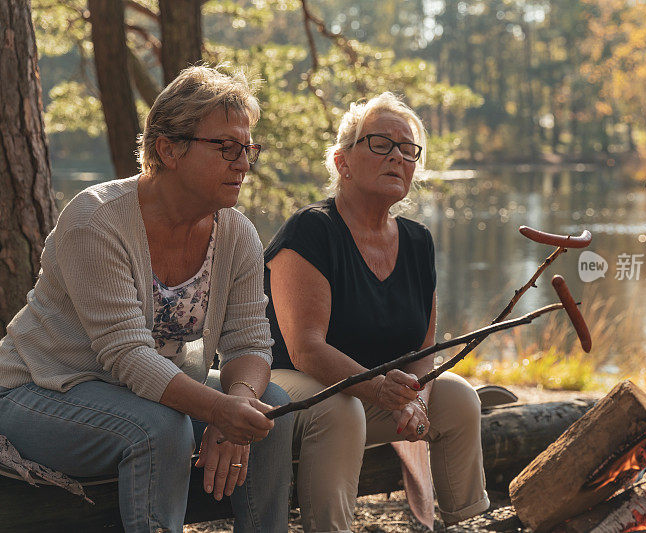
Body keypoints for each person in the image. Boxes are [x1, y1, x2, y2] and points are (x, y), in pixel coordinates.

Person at [0, 66, 293, 533]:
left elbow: (251, 344)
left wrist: (238, 403)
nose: (243, 162)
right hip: (40, 391)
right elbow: (127, 356)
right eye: (226, 147)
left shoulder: (236, 233)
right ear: (168, 149)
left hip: (144, 396)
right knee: (158, 429)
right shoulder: (95, 221)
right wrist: (217, 411)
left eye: (248, 148)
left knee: (268, 409)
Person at [264, 92, 489, 532]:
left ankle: (469, 523)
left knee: (459, 397)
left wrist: (417, 399)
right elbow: (306, 350)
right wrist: (380, 390)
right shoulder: (313, 230)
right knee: (341, 407)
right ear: (342, 162)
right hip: (282, 387)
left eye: (408, 150)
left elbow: (425, 344)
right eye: (381, 144)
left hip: (365, 394)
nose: (398, 158)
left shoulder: (418, 240)